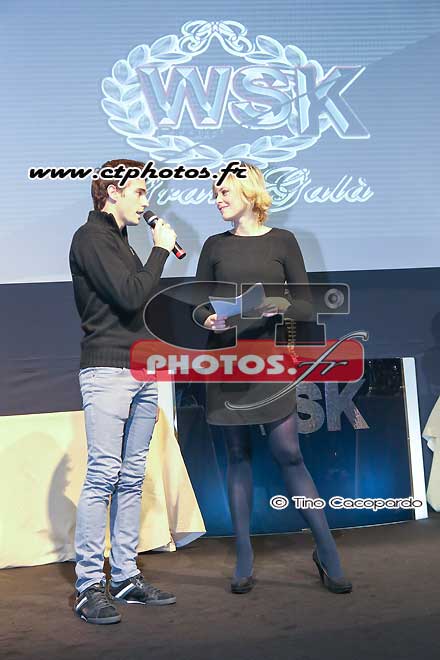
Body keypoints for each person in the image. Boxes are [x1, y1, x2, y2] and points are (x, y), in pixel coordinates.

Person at [193, 163, 352, 595]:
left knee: (289, 453)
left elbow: (306, 305)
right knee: (237, 455)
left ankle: (326, 550)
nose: (217, 199)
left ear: (249, 193)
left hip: (270, 360)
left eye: (224, 192)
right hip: (225, 360)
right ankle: (244, 555)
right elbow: (197, 303)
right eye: (215, 193)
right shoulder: (213, 245)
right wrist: (207, 318)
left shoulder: (283, 241)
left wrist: (278, 305)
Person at [69, 158, 178, 624]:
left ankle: (127, 576)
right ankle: (89, 585)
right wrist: (160, 251)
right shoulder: (90, 238)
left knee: (132, 476)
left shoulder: (121, 242)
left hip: (141, 369)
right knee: (103, 475)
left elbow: (136, 306)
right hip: (108, 371)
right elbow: (131, 296)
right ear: (112, 191)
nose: (145, 200)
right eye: (139, 191)